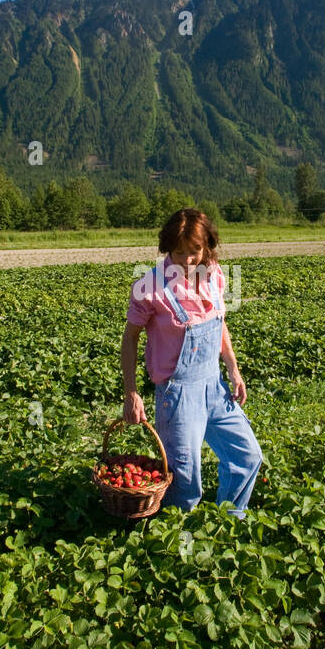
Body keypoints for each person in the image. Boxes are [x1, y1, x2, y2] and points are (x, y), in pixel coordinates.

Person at [122, 209, 263, 518]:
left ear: (207, 246)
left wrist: (233, 369)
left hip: (214, 385)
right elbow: (129, 339)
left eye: (195, 250)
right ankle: (177, 545)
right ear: (167, 248)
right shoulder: (150, 286)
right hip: (178, 393)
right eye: (179, 251)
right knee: (185, 482)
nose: (188, 259)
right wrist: (131, 393)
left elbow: (219, 323)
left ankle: (227, 522)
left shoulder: (214, 274)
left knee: (247, 456)